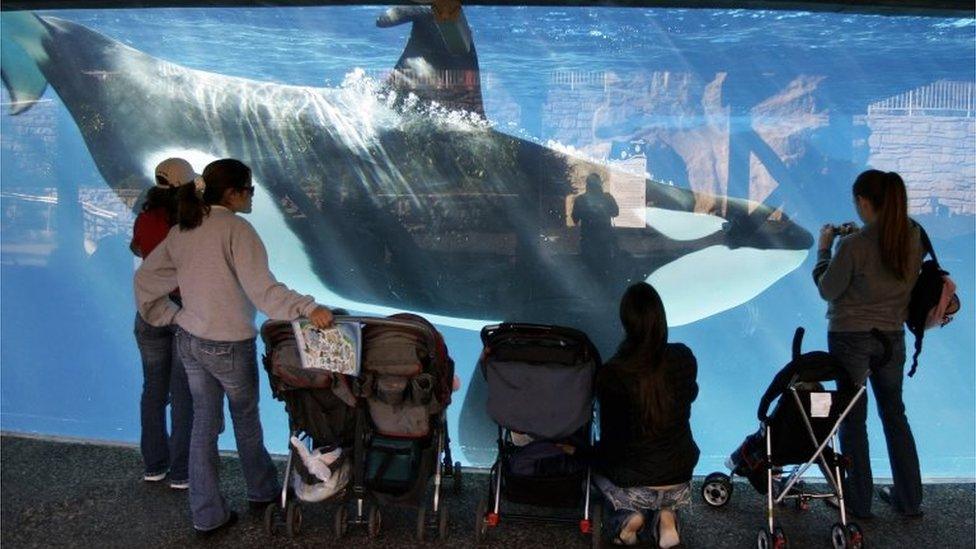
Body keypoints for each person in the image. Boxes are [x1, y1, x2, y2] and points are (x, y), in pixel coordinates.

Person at [134, 158, 334, 535]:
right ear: (233, 192)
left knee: (202, 427)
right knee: (245, 420)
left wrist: (173, 316)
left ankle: (207, 515)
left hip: (190, 342)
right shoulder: (237, 230)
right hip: (228, 345)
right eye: (250, 190)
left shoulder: (183, 229)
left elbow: (145, 280)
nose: (253, 197)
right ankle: (261, 493)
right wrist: (309, 308)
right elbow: (264, 292)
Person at [813, 169, 924, 519]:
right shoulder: (914, 234)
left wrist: (824, 249)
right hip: (892, 337)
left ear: (863, 202)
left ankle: (857, 502)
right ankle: (910, 500)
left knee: (852, 420)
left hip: (851, 339)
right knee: (894, 415)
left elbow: (827, 288)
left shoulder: (854, 245)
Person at [594, 282, 699, 548]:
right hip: (680, 473)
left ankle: (629, 518)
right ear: (662, 318)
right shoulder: (683, 357)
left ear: (625, 323)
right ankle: (666, 519)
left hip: (633, 482)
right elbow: (689, 395)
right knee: (664, 492)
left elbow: (611, 437)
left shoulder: (613, 373)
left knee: (595, 470)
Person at [130, 158, 197, 490]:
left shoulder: (144, 218)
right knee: (183, 394)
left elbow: (139, 248)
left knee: (153, 392)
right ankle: (182, 471)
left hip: (150, 310)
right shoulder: (190, 223)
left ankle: (154, 465)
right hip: (184, 311)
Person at [571, 173, 619, 275]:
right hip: (600, 241)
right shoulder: (607, 198)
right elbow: (615, 212)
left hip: (592, 241)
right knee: (603, 270)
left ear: (587, 185)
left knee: (591, 271)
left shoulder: (581, 199)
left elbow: (575, 219)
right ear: (600, 184)